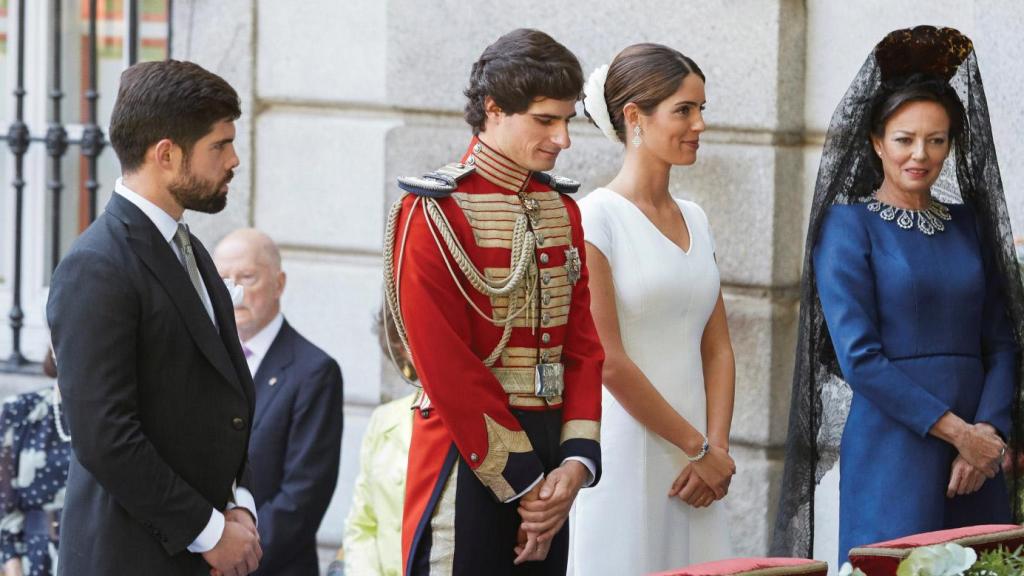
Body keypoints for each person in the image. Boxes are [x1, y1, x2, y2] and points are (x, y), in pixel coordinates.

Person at [772, 26, 1024, 564]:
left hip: (979, 452)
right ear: (876, 142)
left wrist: (988, 434)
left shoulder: (970, 225)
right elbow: (858, 357)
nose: (920, 154)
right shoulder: (848, 227)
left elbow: (1002, 342)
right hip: (895, 446)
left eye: (936, 140)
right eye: (905, 138)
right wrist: (960, 434)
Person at [383, 28, 604, 575]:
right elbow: (445, 364)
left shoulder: (561, 209)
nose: (562, 139)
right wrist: (527, 481)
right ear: (493, 109)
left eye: (566, 121)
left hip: (553, 459)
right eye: (545, 121)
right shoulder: (432, 211)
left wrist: (573, 466)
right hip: (469, 454)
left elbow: (582, 346)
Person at [46, 60, 262, 575]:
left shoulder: (192, 251)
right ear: (166, 154)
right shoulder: (94, 267)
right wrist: (210, 533)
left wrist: (239, 504)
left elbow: (218, 402)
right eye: (219, 145)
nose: (234, 159)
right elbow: (105, 436)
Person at [569, 44, 736, 574]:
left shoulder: (697, 216)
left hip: (701, 462)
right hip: (628, 447)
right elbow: (608, 359)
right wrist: (696, 446)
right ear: (634, 117)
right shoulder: (595, 217)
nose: (699, 124)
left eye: (701, 109)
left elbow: (718, 347)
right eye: (684, 110)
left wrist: (718, 452)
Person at [213, 228, 343, 576]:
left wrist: (235, 557)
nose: (235, 292)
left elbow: (303, 495)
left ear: (279, 283)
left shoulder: (314, 372)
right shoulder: (202, 363)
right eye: (223, 280)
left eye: (248, 277)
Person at [336, 311, 418, 576]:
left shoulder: (477, 424)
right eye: (410, 338)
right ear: (399, 348)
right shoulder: (384, 420)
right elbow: (362, 524)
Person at [0, 350, 70, 576]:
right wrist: (13, 566)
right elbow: (3, 505)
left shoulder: (119, 421)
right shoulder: (19, 411)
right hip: (37, 559)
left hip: (101, 555)